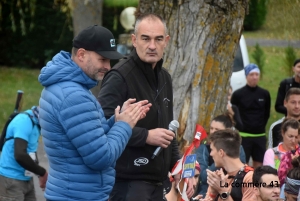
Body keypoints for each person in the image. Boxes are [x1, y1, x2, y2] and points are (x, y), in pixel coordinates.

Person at [38, 25, 151, 201]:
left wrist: (117, 120)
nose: (107, 67)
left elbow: (86, 137)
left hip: (71, 193)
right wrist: (124, 126)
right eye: (102, 59)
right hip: (77, 196)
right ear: (82, 54)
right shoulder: (73, 96)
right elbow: (100, 157)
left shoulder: (68, 87)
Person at [98, 13, 184, 201]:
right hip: (128, 183)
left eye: (158, 39)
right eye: (146, 38)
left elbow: (169, 128)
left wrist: (176, 163)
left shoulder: (165, 78)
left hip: (159, 182)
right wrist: (146, 136)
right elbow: (101, 126)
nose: (152, 46)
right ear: (134, 40)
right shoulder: (119, 76)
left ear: (166, 41)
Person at [0, 106, 48, 201]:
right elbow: (20, 155)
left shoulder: (36, 123)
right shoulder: (24, 121)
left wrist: (39, 175)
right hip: (11, 180)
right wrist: (42, 172)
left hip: (26, 179)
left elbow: (31, 151)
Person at [195, 113, 246, 197]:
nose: (212, 132)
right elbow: (203, 176)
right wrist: (221, 161)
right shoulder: (204, 148)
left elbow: (240, 172)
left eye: (217, 129)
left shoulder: (237, 148)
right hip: (205, 192)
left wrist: (222, 158)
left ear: (227, 131)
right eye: (211, 128)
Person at [231, 63, 271, 169]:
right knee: (243, 165)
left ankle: (257, 185)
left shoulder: (265, 94)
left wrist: (260, 126)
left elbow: (267, 113)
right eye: (251, 74)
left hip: (260, 136)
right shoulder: (238, 94)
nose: (254, 77)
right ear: (246, 76)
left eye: (256, 74)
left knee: (259, 165)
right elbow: (234, 113)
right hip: (244, 136)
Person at [203, 129, 255, 201]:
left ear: (221, 153)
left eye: (212, 150)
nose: (211, 154)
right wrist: (212, 193)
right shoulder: (219, 176)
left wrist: (223, 191)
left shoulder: (250, 178)